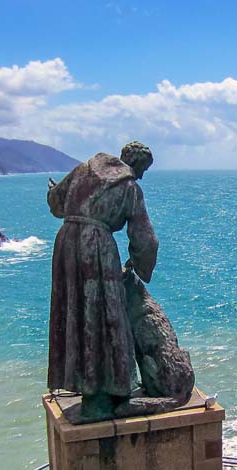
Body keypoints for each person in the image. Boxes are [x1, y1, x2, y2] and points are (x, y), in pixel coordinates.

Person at [47, 141, 157, 422]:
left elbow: (56, 202)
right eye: (143, 169)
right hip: (96, 247)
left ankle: (93, 386)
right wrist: (140, 263)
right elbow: (145, 237)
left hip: (66, 243)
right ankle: (104, 392)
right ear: (137, 164)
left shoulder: (84, 169)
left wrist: (53, 193)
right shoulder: (130, 187)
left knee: (76, 312)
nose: (141, 175)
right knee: (105, 315)